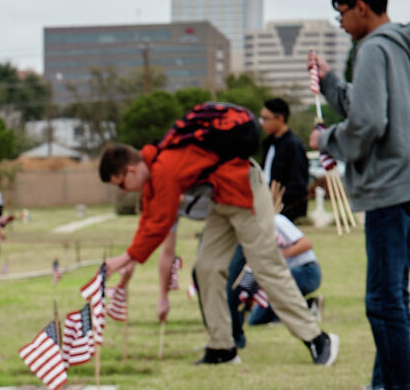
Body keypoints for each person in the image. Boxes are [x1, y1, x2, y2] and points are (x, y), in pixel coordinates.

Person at [98, 103, 340, 368]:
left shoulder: (164, 167)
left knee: (266, 266)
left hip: (245, 193)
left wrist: (118, 261)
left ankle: (317, 339)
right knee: (206, 267)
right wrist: (128, 261)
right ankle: (222, 347)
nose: (125, 191)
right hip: (222, 199)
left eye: (121, 184)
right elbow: (150, 220)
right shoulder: (157, 166)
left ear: (131, 170)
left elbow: (159, 224)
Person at [314, 0, 410, 390]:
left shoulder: (371, 50)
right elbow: (366, 103)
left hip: (388, 181)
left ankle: (399, 388)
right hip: (409, 178)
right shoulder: (402, 49)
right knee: (391, 291)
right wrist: (329, 82)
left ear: (361, 6)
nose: (341, 24)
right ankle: (385, 385)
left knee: (382, 295)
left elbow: (367, 123)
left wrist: (326, 140)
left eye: (341, 13)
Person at [224, 213, 323, 346]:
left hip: (305, 271)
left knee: (272, 285)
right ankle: (306, 306)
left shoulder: (276, 221)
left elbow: (306, 243)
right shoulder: (247, 232)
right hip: (277, 274)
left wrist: (280, 255)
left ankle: (307, 314)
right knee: (255, 319)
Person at [259, 98, 310, 222]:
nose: (262, 123)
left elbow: (298, 182)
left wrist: (280, 201)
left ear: (280, 118)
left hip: (286, 210)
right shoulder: (268, 143)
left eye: (266, 119)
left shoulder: (293, 145)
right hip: (266, 206)